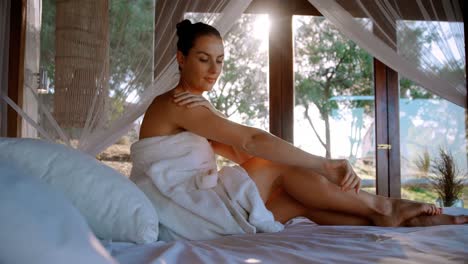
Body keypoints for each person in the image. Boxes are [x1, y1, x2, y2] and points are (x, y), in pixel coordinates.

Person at [131, 19, 467, 241]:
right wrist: (323, 165)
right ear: (181, 58)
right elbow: (252, 142)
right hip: (188, 211)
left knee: (298, 201)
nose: (214, 69)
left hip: (193, 213)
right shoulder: (176, 103)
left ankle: (393, 220)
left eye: (220, 60)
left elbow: (239, 151)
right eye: (204, 59)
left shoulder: (195, 107)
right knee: (274, 165)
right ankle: (385, 206)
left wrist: (308, 176)